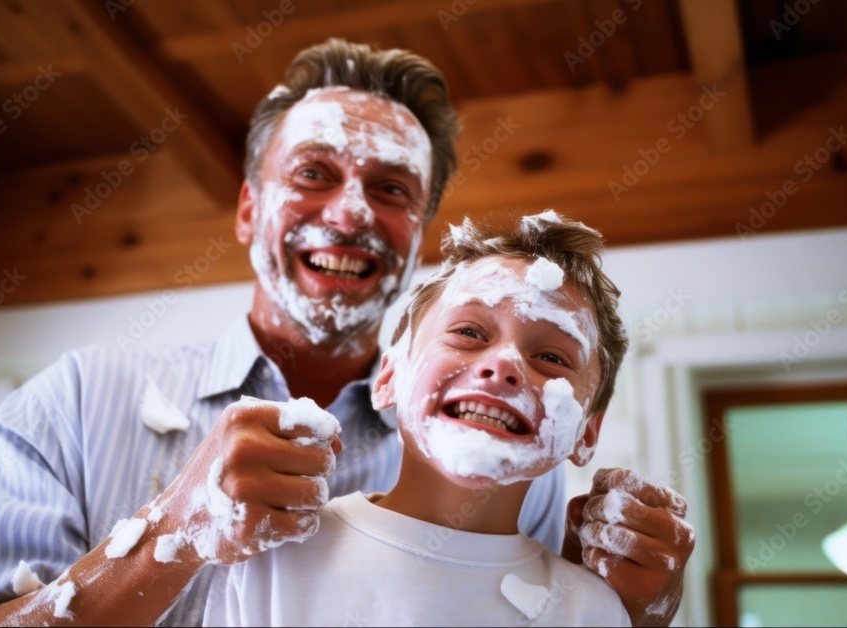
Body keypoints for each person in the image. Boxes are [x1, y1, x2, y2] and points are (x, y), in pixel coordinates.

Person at [0, 39, 692, 627]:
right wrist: (175, 531)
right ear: (249, 210)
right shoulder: (75, 403)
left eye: (391, 189)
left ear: (421, 235)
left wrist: (632, 605)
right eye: (314, 174)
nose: (353, 213)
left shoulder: (511, 461)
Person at [204, 210, 634, 626]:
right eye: (468, 333)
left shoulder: (593, 611)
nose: (505, 365)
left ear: (586, 432)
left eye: (551, 357)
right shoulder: (276, 559)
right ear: (390, 378)